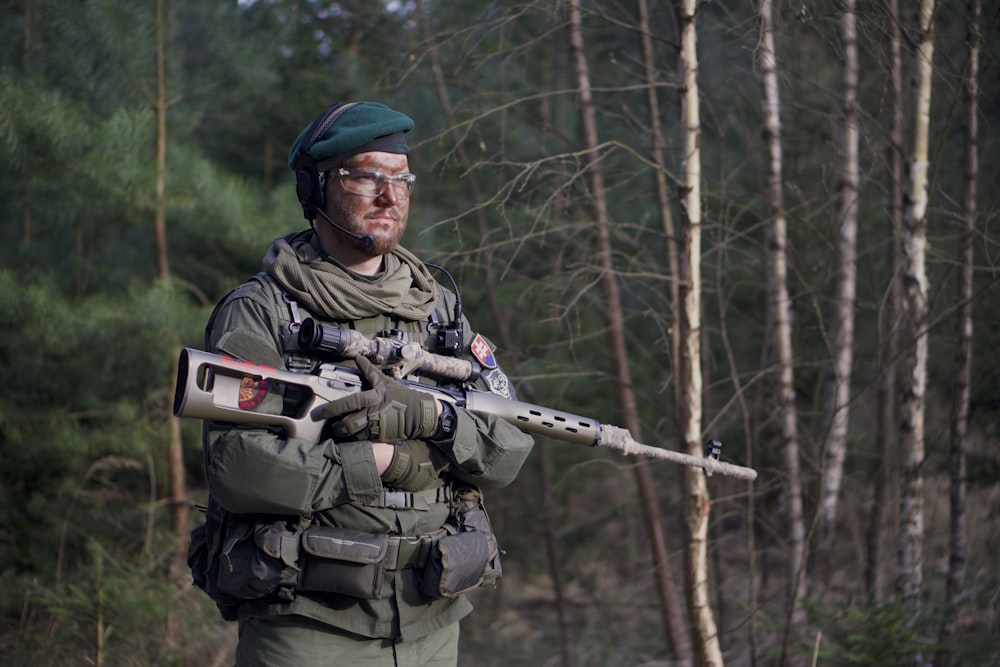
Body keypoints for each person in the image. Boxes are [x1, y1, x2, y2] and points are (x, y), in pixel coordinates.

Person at [191, 101, 535, 666]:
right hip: (308, 625)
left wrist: (435, 419)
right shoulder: (264, 312)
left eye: (401, 178)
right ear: (317, 188)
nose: (389, 194)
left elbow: (508, 450)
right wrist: (376, 460)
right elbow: (237, 466)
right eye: (366, 176)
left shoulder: (439, 310)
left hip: (430, 621)